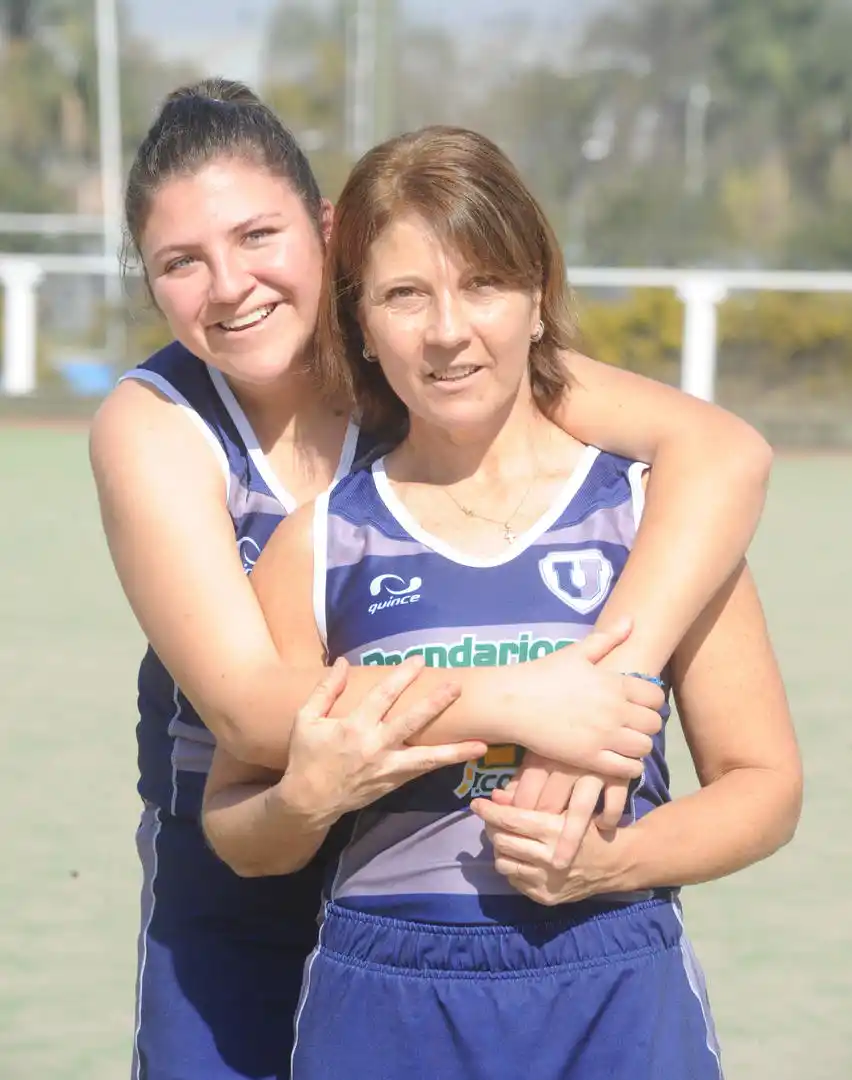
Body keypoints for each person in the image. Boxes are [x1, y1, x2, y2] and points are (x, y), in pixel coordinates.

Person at [90, 79, 773, 1080]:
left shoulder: (435, 361)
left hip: (454, 885)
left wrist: (611, 678)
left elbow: (721, 452)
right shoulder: (156, 425)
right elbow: (246, 710)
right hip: (244, 867)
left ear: (329, 233)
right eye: (180, 263)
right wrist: (525, 701)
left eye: (258, 236)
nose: (229, 285)